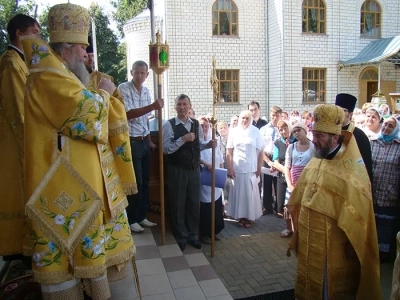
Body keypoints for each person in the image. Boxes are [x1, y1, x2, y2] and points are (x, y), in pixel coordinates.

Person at [22, 3, 138, 299]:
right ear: (68, 47)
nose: (86, 55)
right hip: (62, 190)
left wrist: (100, 91)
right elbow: (84, 118)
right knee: (64, 271)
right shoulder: (46, 76)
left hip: (86, 191)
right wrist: (105, 92)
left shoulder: (67, 75)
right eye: (82, 48)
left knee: (98, 263)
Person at [288, 104, 381, 299]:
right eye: (314, 134)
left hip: (333, 245)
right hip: (309, 239)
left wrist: (353, 244)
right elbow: (302, 192)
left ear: (335, 138)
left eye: (320, 136)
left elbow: (360, 214)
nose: (315, 140)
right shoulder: (315, 161)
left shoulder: (352, 171)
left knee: (326, 290)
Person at [0, 14, 40, 262]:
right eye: (34, 32)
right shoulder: (11, 63)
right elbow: (18, 111)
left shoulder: (22, 61)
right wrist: (35, 141)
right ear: (19, 33)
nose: (38, 37)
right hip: (16, 144)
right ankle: (19, 249)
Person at [162, 94, 216, 251]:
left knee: (193, 202)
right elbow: (166, 149)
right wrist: (182, 139)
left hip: (193, 169)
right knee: (178, 203)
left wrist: (208, 145)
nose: (182, 107)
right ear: (175, 107)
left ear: (190, 106)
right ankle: (181, 235)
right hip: (177, 169)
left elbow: (197, 145)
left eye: (185, 104)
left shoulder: (195, 124)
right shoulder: (169, 125)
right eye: (179, 104)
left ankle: (193, 234)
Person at [118, 60, 163, 233]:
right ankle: (131, 219)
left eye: (143, 72)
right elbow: (128, 114)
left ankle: (142, 216)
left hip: (144, 140)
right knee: (134, 182)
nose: (139, 75)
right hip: (132, 140)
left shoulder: (146, 91)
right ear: (131, 72)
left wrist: (150, 140)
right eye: (136, 72)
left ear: (147, 75)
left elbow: (145, 118)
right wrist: (153, 106)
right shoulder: (123, 88)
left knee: (145, 181)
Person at [226, 110, 264, 228]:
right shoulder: (233, 132)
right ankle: (240, 217)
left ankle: (248, 217)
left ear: (251, 119)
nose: (244, 120)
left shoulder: (256, 131)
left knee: (249, 194)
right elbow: (229, 151)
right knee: (239, 193)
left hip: (251, 169)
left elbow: (261, 151)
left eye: (247, 118)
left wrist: (259, 167)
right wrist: (230, 168)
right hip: (237, 168)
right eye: (242, 118)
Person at [371, 116, 400, 262]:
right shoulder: (373, 142)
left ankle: (384, 254)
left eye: (390, 126)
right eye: (385, 124)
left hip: (390, 192)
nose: (386, 128)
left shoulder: (398, 145)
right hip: (373, 191)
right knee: (373, 221)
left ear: (396, 129)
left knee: (386, 225)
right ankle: (372, 250)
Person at [281, 122, 314, 238]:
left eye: (298, 130)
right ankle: (288, 228)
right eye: (294, 131)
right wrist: (289, 184)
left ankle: (302, 229)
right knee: (289, 205)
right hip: (293, 182)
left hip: (307, 182)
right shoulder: (291, 147)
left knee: (304, 207)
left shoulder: (313, 147)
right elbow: (287, 166)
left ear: (305, 130)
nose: (296, 133)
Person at [335, 93, 373, 183]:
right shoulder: (330, 132)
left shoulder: (359, 136)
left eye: (342, 111)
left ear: (350, 114)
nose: (337, 114)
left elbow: (365, 165)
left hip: (351, 181)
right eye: (336, 110)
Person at [198, 117, 225, 244]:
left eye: (206, 126)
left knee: (216, 204)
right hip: (205, 178)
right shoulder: (197, 141)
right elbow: (195, 156)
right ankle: (204, 234)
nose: (204, 128)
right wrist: (205, 163)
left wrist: (222, 170)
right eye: (202, 126)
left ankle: (214, 231)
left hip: (216, 178)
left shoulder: (213, 141)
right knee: (206, 207)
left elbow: (219, 157)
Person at [264, 120, 296, 218]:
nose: (283, 131)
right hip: (282, 175)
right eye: (280, 130)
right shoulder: (277, 142)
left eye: (285, 128)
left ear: (289, 128)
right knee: (280, 209)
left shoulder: (296, 141)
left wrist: (291, 173)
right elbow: (276, 161)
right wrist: (286, 172)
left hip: (295, 176)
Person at [260, 106, 282, 215]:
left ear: (281, 116)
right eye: (273, 115)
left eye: (277, 115)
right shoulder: (264, 129)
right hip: (266, 157)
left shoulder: (282, 129)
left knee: (278, 183)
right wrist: (267, 160)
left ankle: (278, 207)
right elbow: (261, 147)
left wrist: (276, 161)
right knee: (266, 183)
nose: (275, 118)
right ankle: (267, 207)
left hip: (278, 159)